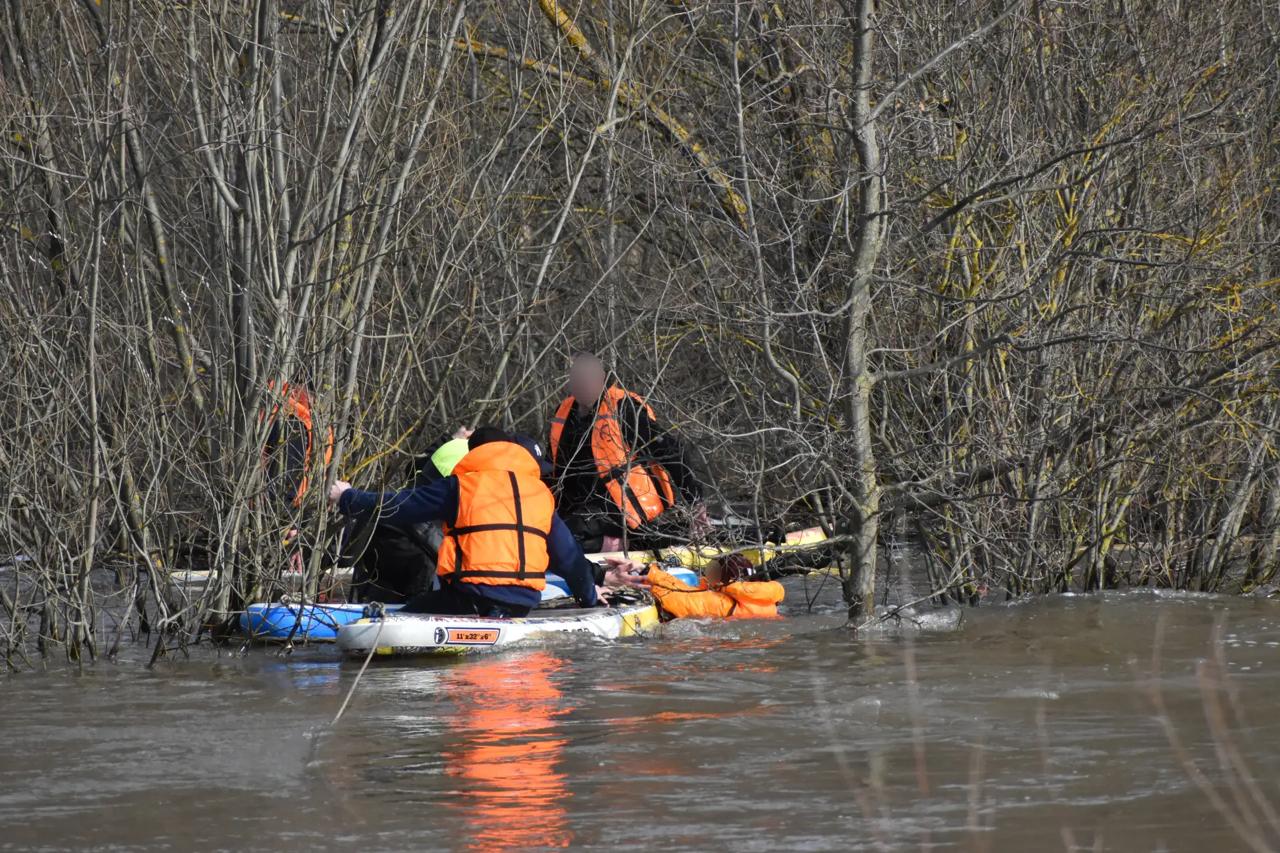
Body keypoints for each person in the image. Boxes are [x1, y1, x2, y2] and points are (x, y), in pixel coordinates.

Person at [329, 427, 630, 618]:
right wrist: (590, 596)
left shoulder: (461, 486)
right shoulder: (540, 495)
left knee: (402, 617)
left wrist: (347, 497)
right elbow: (568, 558)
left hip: (467, 601)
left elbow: (399, 506)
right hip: (521, 606)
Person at [548, 352, 708, 552]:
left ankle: (629, 544)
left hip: (621, 506)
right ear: (570, 382)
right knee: (550, 532)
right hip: (576, 506)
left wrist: (695, 500)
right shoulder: (564, 412)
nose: (584, 384)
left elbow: (670, 452)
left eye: (590, 378)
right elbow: (550, 465)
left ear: (602, 379)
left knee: (570, 535)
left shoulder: (624, 409)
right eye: (578, 379)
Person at [346, 426, 473, 604]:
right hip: (413, 550)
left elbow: (415, 468)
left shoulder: (421, 485)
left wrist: (447, 439)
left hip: (390, 539)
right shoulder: (460, 483)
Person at [605, 554, 785, 620]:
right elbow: (684, 590)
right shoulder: (728, 594)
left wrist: (646, 576)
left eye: (712, 571)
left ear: (725, 580)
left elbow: (680, 600)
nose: (707, 574)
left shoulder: (722, 602)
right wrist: (645, 570)